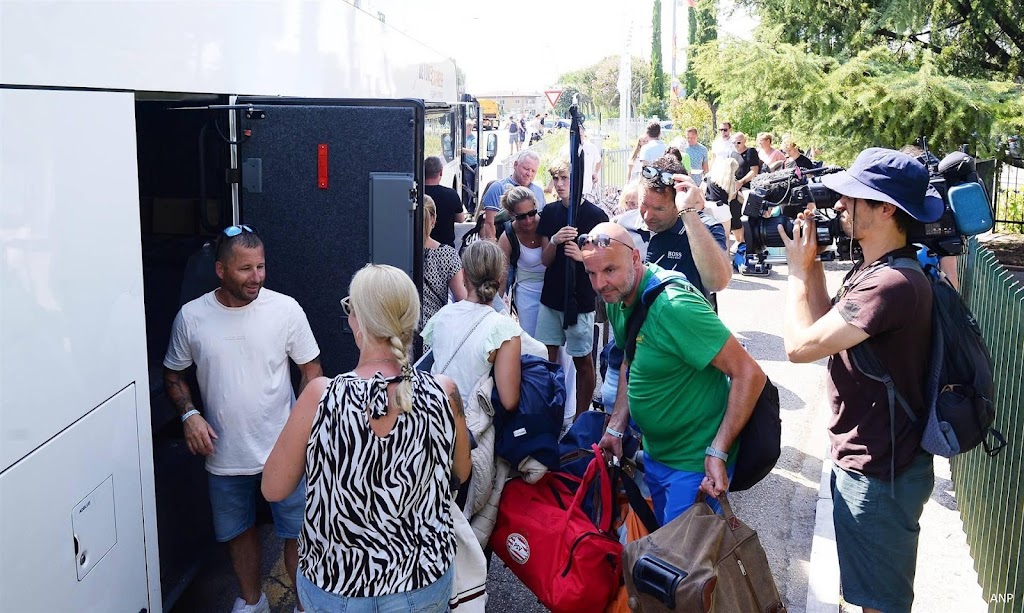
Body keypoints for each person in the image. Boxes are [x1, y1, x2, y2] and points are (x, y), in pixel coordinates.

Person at [777, 148, 945, 613]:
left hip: (881, 472)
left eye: (852, 197)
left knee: (879, 605)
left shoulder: (891, 285)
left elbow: (798, 347)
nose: (838, 206)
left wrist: (793, 275)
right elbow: (822, 329)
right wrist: (810, 266)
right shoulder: (875, 270)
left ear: (887, 208)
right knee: (866, 597)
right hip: (869, 461)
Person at [261, 264, 471, 612]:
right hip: (421, 582)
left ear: (356, 319)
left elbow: (273, 488)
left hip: (335, 583)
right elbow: (461, 473)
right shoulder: (444, 392)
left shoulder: (319, 396)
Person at [163, 225, 323, 613]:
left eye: (261, 267)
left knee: (297, 535)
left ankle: (304, 606)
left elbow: (312, 372)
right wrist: (189, 414)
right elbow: (173, 374)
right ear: (220, 270)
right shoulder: (192, 317)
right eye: (245, 269)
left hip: (282, 452)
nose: (257, 277)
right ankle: (253, 602)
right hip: (224, 455)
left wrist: (301, 430)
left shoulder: (285, 309)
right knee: (238, 533)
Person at [581, 219, 766, 524]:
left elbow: (749, 373)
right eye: (591, 273)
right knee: (665, 555)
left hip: (694, 465)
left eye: (609, 270)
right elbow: (631, 358)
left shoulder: (675, 307)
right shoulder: (617, 297)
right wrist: (616, 426)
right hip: (656, 455)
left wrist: (718, 452)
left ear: (636, 259)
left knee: (685, 564)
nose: (600, 284)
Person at [536, 158, 609, 418]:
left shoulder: (596, 215)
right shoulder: (550, 212)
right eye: (556, 179)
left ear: (577, 180)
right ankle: (549, 413)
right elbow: (545, 259)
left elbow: (606, 259)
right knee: (547, 360)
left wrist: (582, 256)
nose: (559, 184)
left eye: (565, 178)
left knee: (582, 361)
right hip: (551, 297)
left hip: (580, 299)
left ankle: (580, 418)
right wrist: (554, 241)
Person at [423, 240, 523, 412]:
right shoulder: (504, 330)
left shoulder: (441, 316)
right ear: (499, 277)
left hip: (434, 418)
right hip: (473, 429)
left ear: (463, 275)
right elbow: (509, 401)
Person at [634, 156, 731, 301]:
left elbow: (717, 282)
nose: (647, 216)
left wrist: (688, 211)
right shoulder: (623, 225)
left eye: (659, 209)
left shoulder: (705, 228)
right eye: (643, 205)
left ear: (678, 203)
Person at [497, 186, 548, 337]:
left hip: (552, 289)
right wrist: (496, 306)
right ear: (512, 214)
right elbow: (501, 276)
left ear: (535, 206)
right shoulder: (508, 237)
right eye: (521, 216)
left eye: (532, 214)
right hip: (527, 292)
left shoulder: (547, 224)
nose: (528, 220)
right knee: (531, 339)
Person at [422, 195, 468, 331]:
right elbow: (462, 298)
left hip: (403, 333)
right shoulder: (448, 254)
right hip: (433, 331)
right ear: (434, 220)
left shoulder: (397, 251)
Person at [479, 150, 545, 240]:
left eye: (533, 171)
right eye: (526, 168)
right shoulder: (497, 188)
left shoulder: (539, 192)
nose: (529, 174)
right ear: (515, 165)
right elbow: (489, 224)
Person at [424, 156, 466, 248]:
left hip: (420, 247)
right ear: (441, 172)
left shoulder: (416, 194)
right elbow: (461, 219)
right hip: (445, 248)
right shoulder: (451, 194)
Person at [704, 156, 742, 254]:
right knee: (725, 237)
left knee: (708, 235)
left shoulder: (709, 176)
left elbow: (701, 191)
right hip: (722, 208)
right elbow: (732, 197)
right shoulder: (730, 180)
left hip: (708, 206)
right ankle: (726, 261)